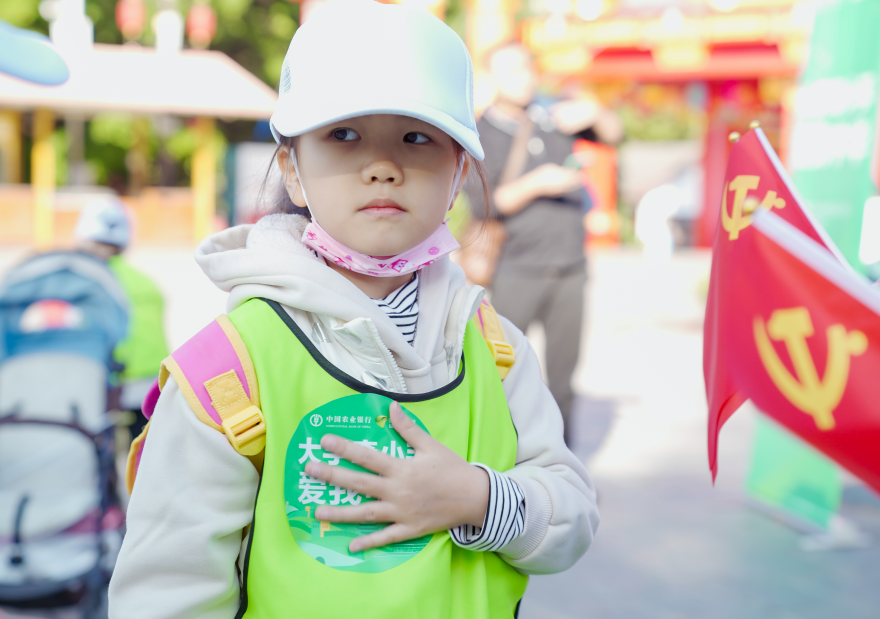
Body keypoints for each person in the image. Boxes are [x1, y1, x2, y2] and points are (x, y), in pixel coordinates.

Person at [108, 4, 597, 618]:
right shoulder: (227, 375)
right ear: (291, 168)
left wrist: (478, 499)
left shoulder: (496, 351)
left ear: (458, 171)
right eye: (343, 134)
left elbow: (572, 519)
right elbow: (165, 597)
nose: (382, 166)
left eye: (416, 137)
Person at [475, 42, 623, 445]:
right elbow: (484, 204)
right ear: (492, 78)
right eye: (511, 70)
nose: (523, 77)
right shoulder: (480, 133)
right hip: (515, 269)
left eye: (527, 67)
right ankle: (501, 462)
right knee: (501, 375)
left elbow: (614, 133)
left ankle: (562, 466)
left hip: (570, 266)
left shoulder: (556, 116)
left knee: (563, 381)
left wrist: (595, 110)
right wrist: (538, 184)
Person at [73, 197, 170, 438]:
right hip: (152, 384)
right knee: (140, 451)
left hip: (109, 383)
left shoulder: (85, 283)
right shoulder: (146, 282)